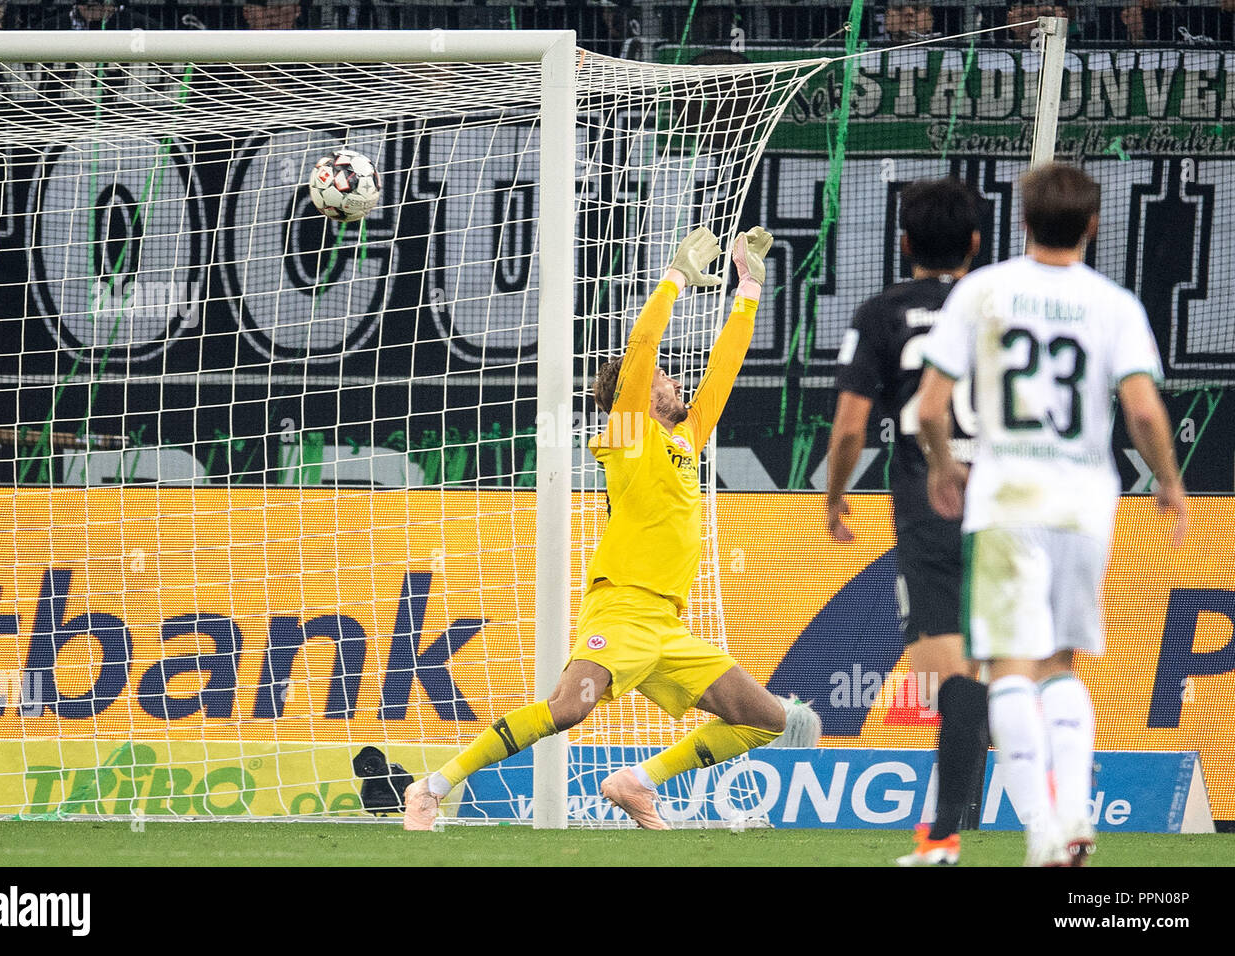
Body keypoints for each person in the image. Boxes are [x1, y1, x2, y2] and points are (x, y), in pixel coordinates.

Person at [403, 226, 821, 831]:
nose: (678, 381)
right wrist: (674, 277)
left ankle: (635, 781)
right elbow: (645, 342)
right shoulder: (629, 434)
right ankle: (431, 788)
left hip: (667, 624)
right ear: (639, 392)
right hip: (621, 608)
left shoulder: (684, 439)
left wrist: (749, 286)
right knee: (569, 708)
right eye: (665, 379)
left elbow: (724, 372)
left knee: (765, 718)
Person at [916, 162, 1187, 866]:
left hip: (1006, 499)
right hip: (1082, 505)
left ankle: (1041, 832)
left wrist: (944, 466)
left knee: (1007, 666)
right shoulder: (1114, 304)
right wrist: (1168, 481)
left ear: (1023, 221)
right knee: (1061, 662)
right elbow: (1142, 409)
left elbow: (930, 405)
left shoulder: (985, 289)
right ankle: (1073, 819)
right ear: (1093, 225)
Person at [827, 176, 988, 866]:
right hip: (1013, 497)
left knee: (948, 664)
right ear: (976, 244)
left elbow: (850, 428)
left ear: (904, 243)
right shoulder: (1002, 306)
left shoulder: (882, 312)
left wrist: (835, 493)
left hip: (931, 500)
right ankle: (1018, 810)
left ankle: (947, 831)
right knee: (1007, 661)